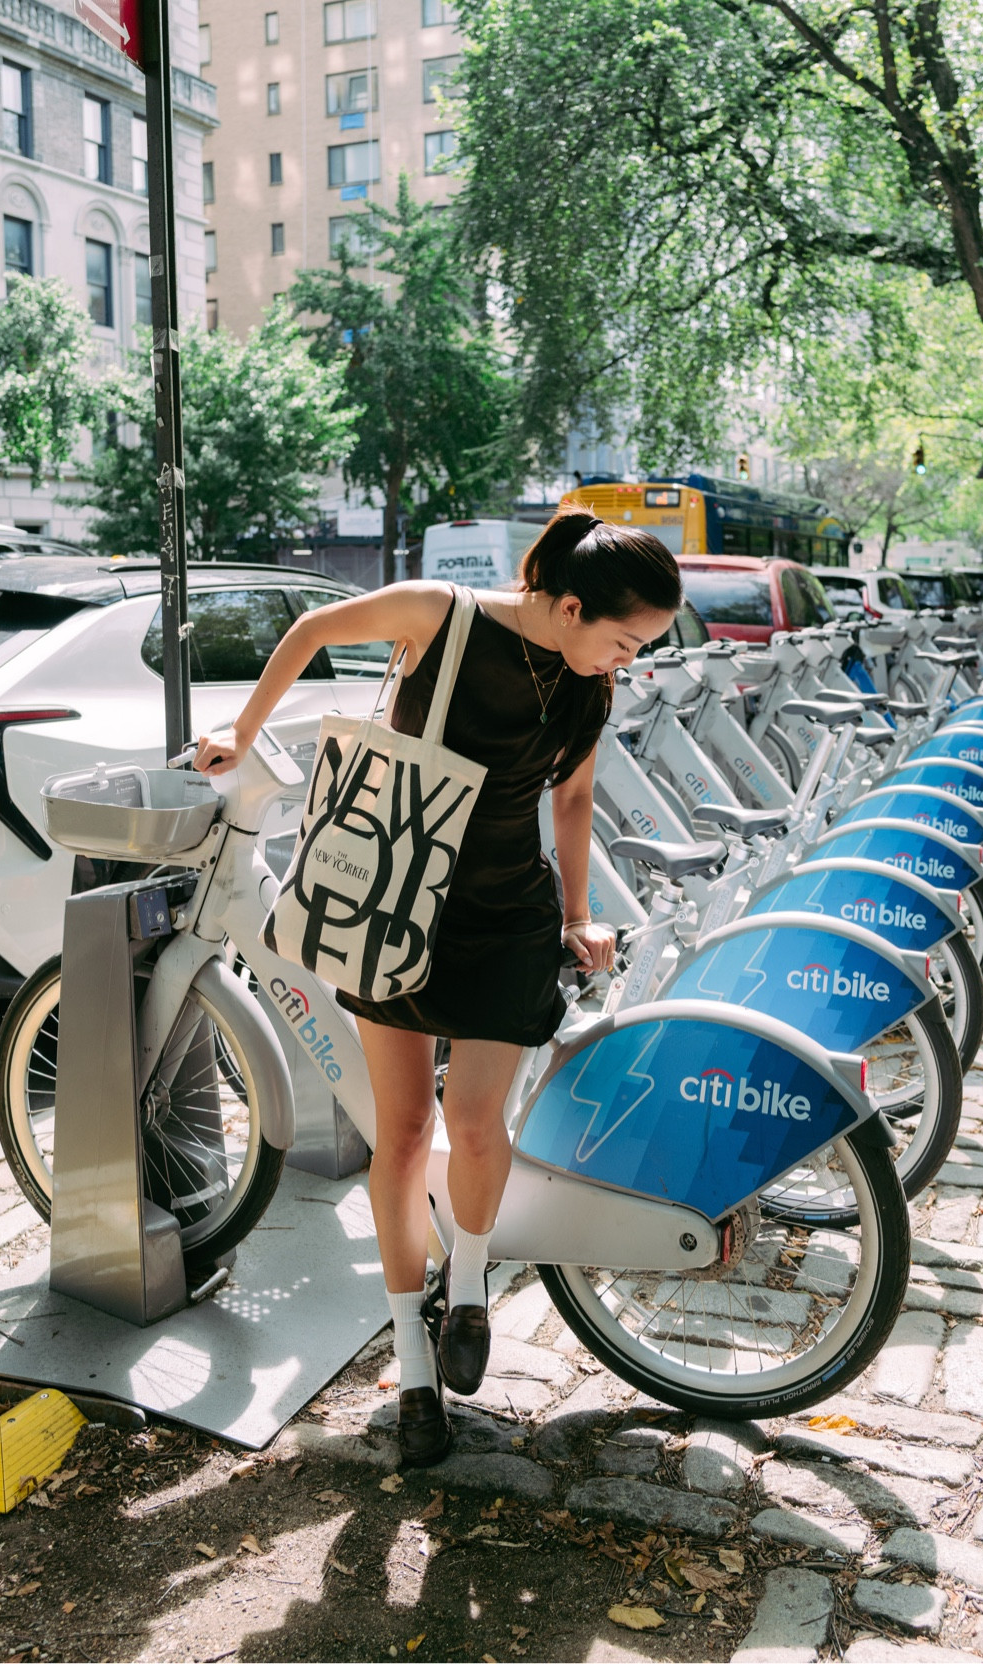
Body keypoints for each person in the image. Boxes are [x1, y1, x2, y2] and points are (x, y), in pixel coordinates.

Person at [193, 510, 682, 1466]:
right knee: (405, 1129)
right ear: (573, 605)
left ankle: (467, 1285)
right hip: (390, 903)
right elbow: (310, 632)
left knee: (477, 1123)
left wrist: (579, 917)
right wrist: (239, 730)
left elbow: (572, 800)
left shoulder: (591, 685)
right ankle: (412, 1357)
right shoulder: (440, 613)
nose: (628, 659)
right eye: (625, 639)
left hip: (506, 920)